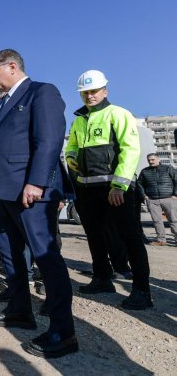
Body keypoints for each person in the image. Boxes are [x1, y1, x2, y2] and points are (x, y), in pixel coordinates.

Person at [0, 49, 77, 358]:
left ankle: (63, 331)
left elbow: (49, 141)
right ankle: (20, 310)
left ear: (12, 66)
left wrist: (37, 182)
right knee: (10, 254)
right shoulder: (3, 102)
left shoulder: (41, 92)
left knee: (46, 258)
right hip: (3, 192)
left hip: (30, 192)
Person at [65, 69, 152, 310]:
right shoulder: (79, 120)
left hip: (115, 188)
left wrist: (119, 185)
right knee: (94, 235)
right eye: (85, 92)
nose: (89, 96)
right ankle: (102, 278)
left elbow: (130, 150)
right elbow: (71, 146)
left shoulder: (118, 114)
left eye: (94, 91)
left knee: (129, 237)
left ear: (105, 91)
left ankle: (142, 290)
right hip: (88, 188)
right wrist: (71, 157)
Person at [137, 153, 177, 246]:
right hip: (152, 200)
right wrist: (144, 195)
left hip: (169, 198)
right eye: (149, 160)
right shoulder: (144, 171)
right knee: (156, 221)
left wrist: (175, 194)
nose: (150, 161)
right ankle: (161, 240)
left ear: (158, 159)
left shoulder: (168, 168)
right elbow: (139, 184)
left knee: (174, 220)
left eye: (153, 159)